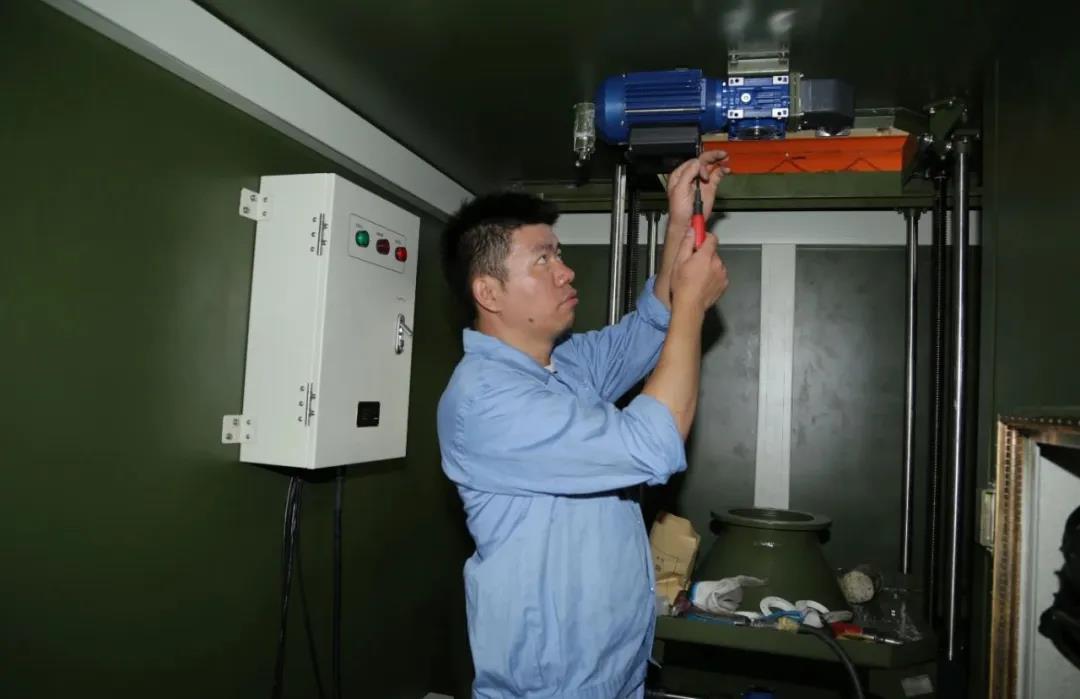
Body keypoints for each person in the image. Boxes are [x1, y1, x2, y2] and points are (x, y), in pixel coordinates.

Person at [437, 151, 731, 699]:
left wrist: (679, 221)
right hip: (551, 686)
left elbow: (652, 326)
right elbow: (652, 443)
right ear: (489, 293)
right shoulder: (487, 402)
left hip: (615, 669)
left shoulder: (564, 364)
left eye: (560, 253)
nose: (565, 270)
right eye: (542, 260)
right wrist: (693, 305)